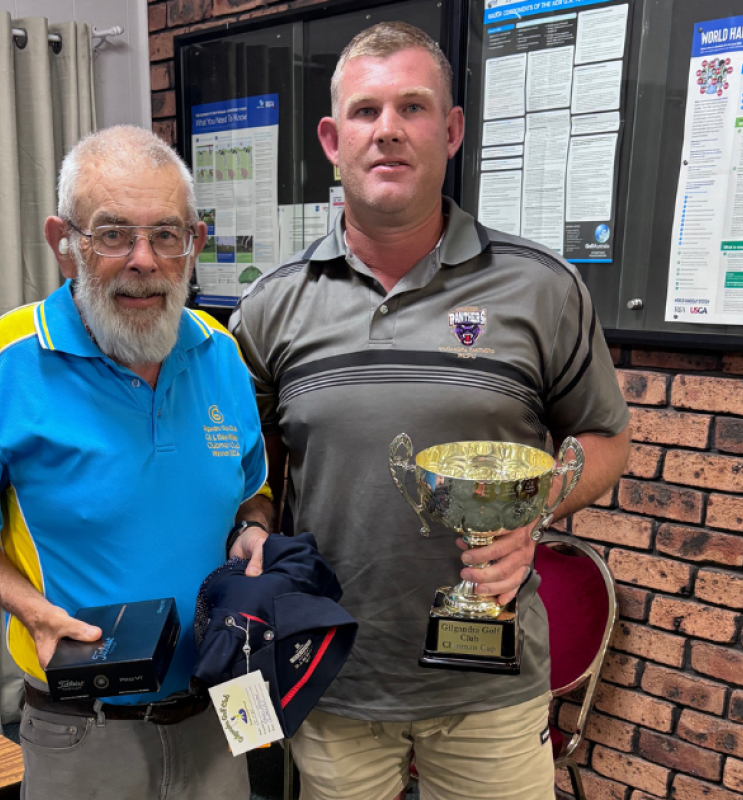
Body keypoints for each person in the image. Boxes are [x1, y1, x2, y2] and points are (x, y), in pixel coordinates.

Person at [229, 22, 631, 800]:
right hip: (332, 676)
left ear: (450, 132)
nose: (388, 130)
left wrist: (531, 513)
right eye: (366, 110)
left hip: (491, 688)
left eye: (412, 107)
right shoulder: (270, 306)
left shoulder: (541, 288)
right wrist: (252, 521)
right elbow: (251, 466)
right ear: (332, 139)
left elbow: (606, 439)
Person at [0, 125, 274, 800]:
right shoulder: (8, 362)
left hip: (218, 712)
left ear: (195, 243)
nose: (143, 260)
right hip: (85, 732)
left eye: (166, 234)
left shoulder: (221, 353)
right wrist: (33, 612)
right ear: (64, 242)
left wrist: (254, 527)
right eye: (112, 234)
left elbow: (251, 491)